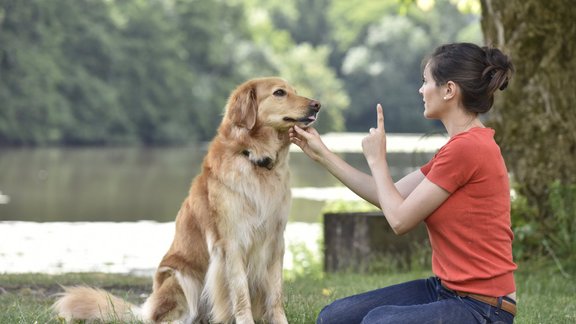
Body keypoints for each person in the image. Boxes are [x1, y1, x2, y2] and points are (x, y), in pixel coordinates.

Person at [289, 42, 517, 324]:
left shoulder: (468, 149)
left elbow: (398, 220)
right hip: (446, 291)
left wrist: (378, 160)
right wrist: (323, 155)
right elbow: (391, 196)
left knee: (378, 321)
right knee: (334, 317)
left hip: (483, 308)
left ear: (449, 90)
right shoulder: (457, 148)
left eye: (426, 81)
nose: (421, 90)